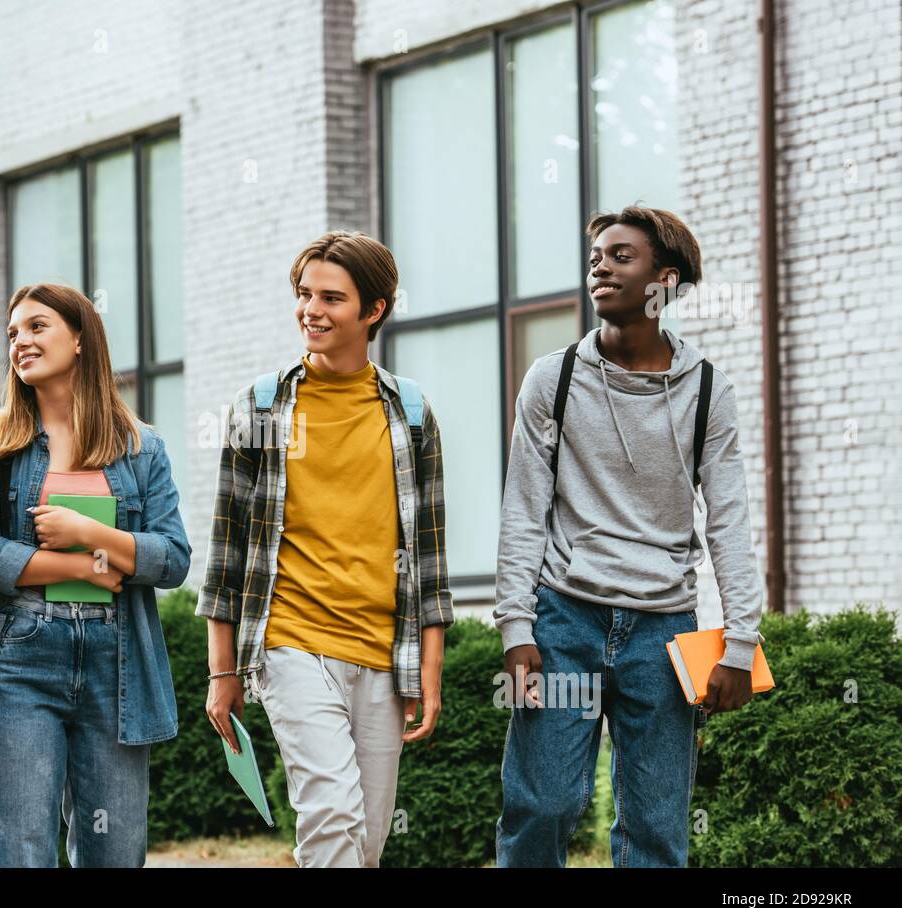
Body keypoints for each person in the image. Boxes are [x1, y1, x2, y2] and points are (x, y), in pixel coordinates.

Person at [494, 206, 764, 867]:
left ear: (663, 281)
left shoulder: (707, 392)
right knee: (544, 804)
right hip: (563, 619)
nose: (601, 266)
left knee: (655, 827)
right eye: (597, 256)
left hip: (664, 631)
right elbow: (524, 510)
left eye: (621, 256)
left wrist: (740, 641)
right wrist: (516, 627)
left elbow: (728, 520)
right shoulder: (552, 381)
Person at [198, 230, 452, 867]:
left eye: (331, 298)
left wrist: (430, 666)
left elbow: (429, 555)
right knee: (331, 815)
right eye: (304, 294)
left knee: (365, 840)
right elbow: (227, 549)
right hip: (293, 641)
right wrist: (221, 672)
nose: (311, 309)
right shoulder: (260, 407)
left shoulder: (411, 413)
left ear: (374, 310)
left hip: (383, 649)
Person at [0, 282, 191, 867]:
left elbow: (174, 558)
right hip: (21, 659)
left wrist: (91, 535)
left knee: (115, 852)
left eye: (37, 327)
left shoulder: (140, 447)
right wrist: (81, 565)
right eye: (13, 333)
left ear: (80, 338)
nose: (21, 342)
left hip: (118, 660)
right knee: (23, 849)